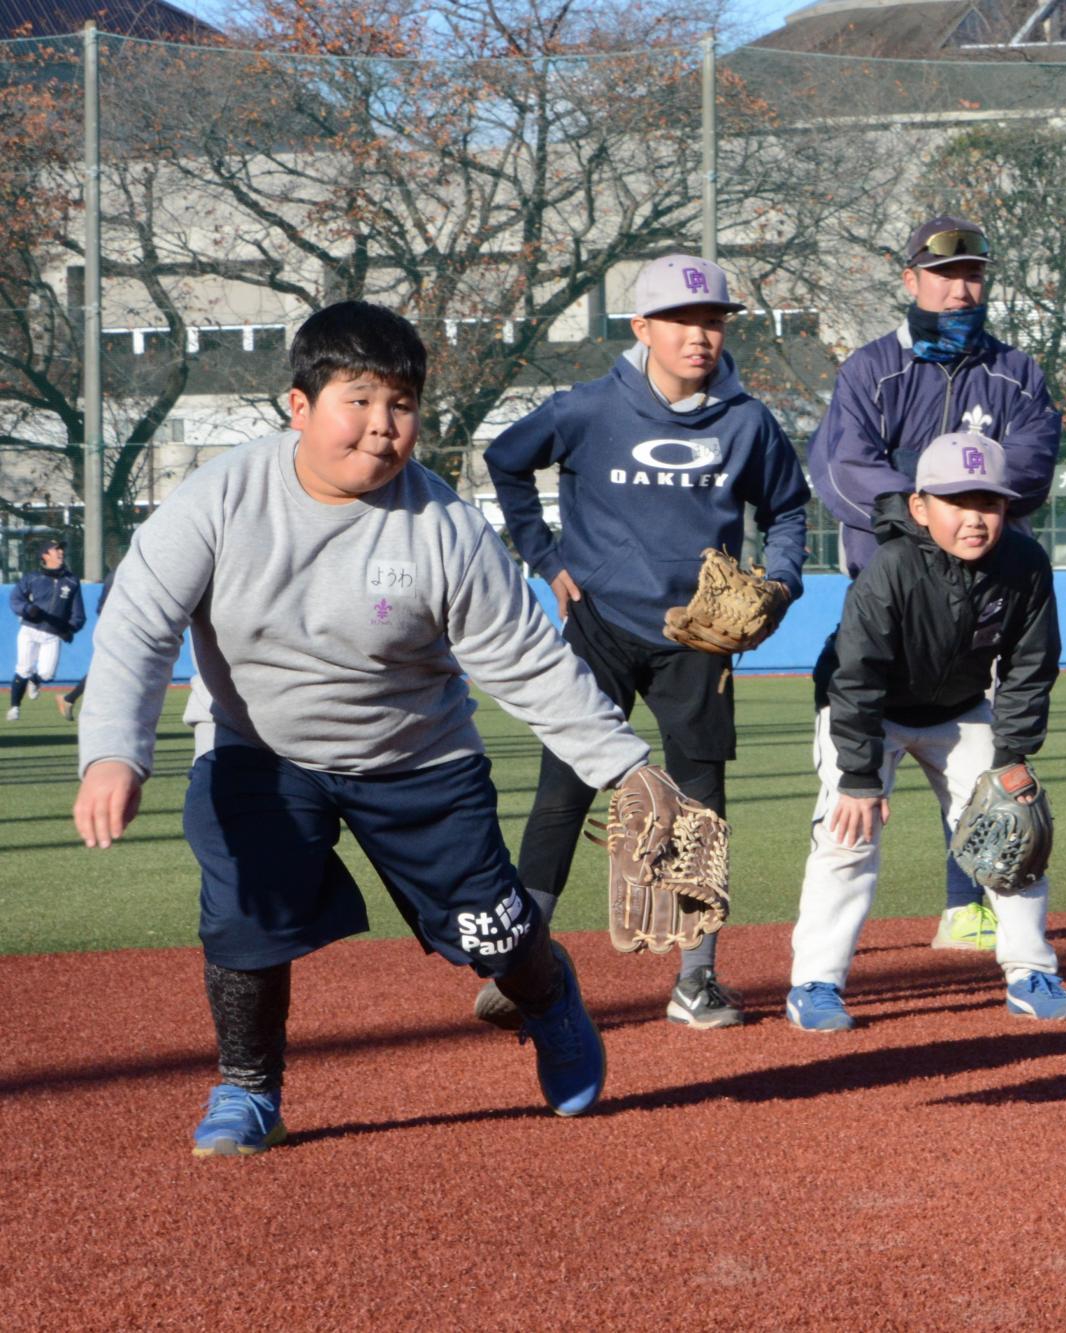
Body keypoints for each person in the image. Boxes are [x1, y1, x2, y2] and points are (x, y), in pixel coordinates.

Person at [72, 301, 649, 1155]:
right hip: (258, 748)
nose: (383, 428)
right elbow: (138, 622)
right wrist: (114, 751)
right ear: (299, 406)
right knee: (244, 904)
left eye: (403, 405)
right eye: (359, 400)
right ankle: (247, 1087)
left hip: (417, 757)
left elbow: (526, 659)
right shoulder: (220, 498)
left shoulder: (444, 525)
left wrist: (626, 767)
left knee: (492, 932)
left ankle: (548, 992)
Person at [483, 255, 808, 1028]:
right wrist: (548, 559)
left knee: (702, 805)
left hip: (698, 636)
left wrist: (783, 584)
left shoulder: (746, 421)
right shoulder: (591, 408)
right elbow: (505, 462)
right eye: (682, 320)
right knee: (562, 792)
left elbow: (789, 509)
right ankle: (522, 970)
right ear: (643, 328)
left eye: (714, 319)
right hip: (598, 625)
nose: (700, 334)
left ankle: (696, 981)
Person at [808, 214, 1062, 953]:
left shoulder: (1017, 373)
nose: (961, 287)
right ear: (911, 279)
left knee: (981, 778)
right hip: (891, 599)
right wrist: (940, 516)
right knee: (854, 782)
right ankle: (822, 960)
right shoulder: (871, 370)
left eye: (973, 275)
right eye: (946, 274)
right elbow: (841, 470)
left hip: (983, 606)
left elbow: (1032, 468)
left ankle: (968, 906)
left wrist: (937, 495)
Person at [787, 431, 1066, 1031]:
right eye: (957, 502)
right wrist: (861, 779)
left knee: (1011, 826)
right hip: (866, 712)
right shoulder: (889, 568)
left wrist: (1012, 759)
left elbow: (1030, 667)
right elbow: (855, 678)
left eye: (990, 503)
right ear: (920, 507)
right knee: (848, 836)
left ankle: (1030, 971)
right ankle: (814, 984)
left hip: (958, 710)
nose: (975, 518)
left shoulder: (1024, 566)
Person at [10, 537, 85, 721]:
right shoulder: (32, 578)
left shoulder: (72, 581)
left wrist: (71, 628)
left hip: (52, 635)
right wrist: (27, 609)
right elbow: (15, 600)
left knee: (48, 673)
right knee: (24, 668)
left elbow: (78, 613)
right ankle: (14, 707)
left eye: (61, 549)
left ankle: (35, 681)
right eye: (55, 549)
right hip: (29, 630)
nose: (60, 552)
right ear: (45, 555)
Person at [57, 563, 113, 721]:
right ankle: (70, 699)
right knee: (105, 669)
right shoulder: (119, 575)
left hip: (124, 629)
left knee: (107, 670)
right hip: (116, 629)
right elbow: (102, 608)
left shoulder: (129, 573)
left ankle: (69, 699)